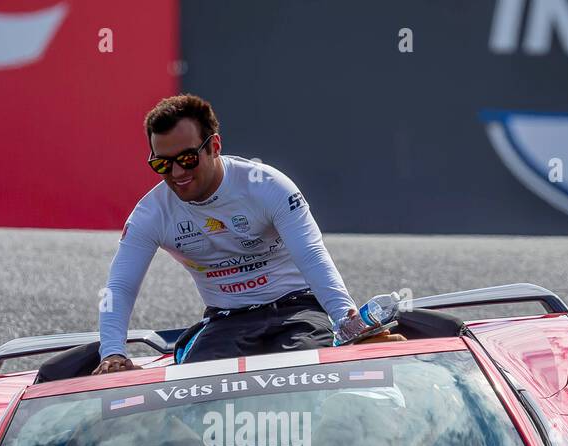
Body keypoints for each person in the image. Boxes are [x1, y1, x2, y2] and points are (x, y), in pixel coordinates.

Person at [93, 94, 401, 374]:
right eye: (162, 164)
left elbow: (312, 256)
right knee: (197, 395)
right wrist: (112, 353)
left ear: (214, 146)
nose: (176, 173)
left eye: (187, 159)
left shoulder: (267, 186)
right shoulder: (152, 213)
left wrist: (349, 323)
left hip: (298, 311)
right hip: (226, 321)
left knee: (302, 378)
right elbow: (119, 287)